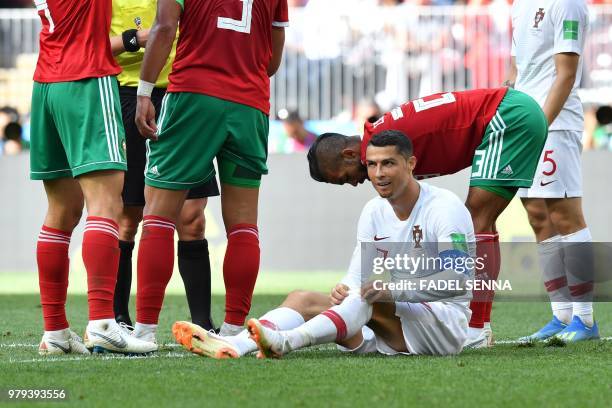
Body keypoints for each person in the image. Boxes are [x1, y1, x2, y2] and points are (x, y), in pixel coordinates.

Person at [173, 131, 475, 358]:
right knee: (302, 298)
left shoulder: (444, 208)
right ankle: (234, 345)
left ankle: (285, 342)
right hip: (390, 322)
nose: (378, 174)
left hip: (442, 327)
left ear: (411, 163)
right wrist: (343, 288)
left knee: (366, 299)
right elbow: (356, 277)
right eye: (371, 165)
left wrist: (392, 290)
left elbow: (460, 281)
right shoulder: (373, 211)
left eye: (388, 164)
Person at [306, 87, 548, 348]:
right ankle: (475, 325)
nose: (354, 184)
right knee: (479, 221)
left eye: (346, 178)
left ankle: (477, 328)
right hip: (508, 112)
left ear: (350, 155)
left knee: (476, 221)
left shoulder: (383, 149)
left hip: (508, 117)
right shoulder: (384, 142)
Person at [134, 0, 288, 339]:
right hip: (250, 106)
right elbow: (272, 62)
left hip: (194, 96)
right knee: (244, 223)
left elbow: (163, 28)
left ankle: (144, 332)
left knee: (158, 214)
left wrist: (145, 92)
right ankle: (234, 330)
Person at [30, 0, 156, 355]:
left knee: (60, 212)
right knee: (105, 205)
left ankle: (54, 331)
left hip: (47, 83)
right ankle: (103, 321)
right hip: (86, 79)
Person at [109, 0, 219, 333]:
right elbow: (85, 47)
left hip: (183, 97)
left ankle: (202, 322)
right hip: (127, 96)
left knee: (192, 218)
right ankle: (119, 318)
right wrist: (136, 39)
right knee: (128, 216)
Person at [509, 0, 599, 342]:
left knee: (565, 214)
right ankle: (561, 315)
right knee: (536, 214)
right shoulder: (520, 5)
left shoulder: (567, 4)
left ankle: (586, 320)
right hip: (525, 120)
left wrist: (539, 125)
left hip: (555, 124)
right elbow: (518, 67)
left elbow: (566, 74)